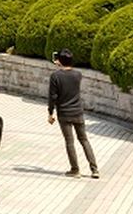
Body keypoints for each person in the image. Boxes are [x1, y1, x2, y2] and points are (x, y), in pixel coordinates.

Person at [48, 48, 99, 178]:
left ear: (59, 60)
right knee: (84, 140)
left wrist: (50, 113)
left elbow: (53, 96)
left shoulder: (55, 76)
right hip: (78, 112)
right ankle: (94, 169)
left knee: (69, 142)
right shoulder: (78, 74)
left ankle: (75, 170)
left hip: (64, 113)